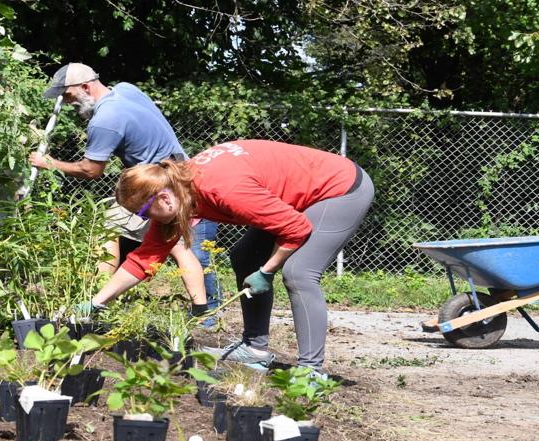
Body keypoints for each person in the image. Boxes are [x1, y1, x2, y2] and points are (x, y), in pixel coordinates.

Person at [87, 140, 374, 378]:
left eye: (142, 213)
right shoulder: (177, 190)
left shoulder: (222, 188)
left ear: (162, 199)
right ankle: (255, 348)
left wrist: (268, 270)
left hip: (338, 188)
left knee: (299, 273)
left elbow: (297, 229)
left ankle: (311, 371)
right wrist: (97, 302)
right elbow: (145, 259)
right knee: (245, 257)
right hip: (293, 195)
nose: (144, 220)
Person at [25, 63, 223, 321]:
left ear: (85, 87)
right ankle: (100, 301)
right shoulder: (126, 90)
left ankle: (98, 303)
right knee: (159, 241)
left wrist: (48, 163)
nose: (66, 101)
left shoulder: (105, 120)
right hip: (180, 172)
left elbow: (90, 170)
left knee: (167, 245)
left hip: (158, 188)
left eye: (67, 94)